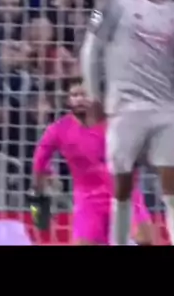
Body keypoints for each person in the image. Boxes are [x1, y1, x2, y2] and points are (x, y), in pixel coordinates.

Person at [81, 0, 174, 246]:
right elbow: (91, 50)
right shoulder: (115, 5)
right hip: (125, 109)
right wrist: (93, 95)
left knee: (173, 187)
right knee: (122, 187)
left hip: (165, 110)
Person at [31, 78, 154, 245]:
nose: (79, 99)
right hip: (89, 200)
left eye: (84, 95)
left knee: (144, 239)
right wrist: (40, 189)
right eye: (75, 95)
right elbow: (40, 161)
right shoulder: (59, 129)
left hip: (124, 193)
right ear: (68, 100)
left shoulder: (116, 123)